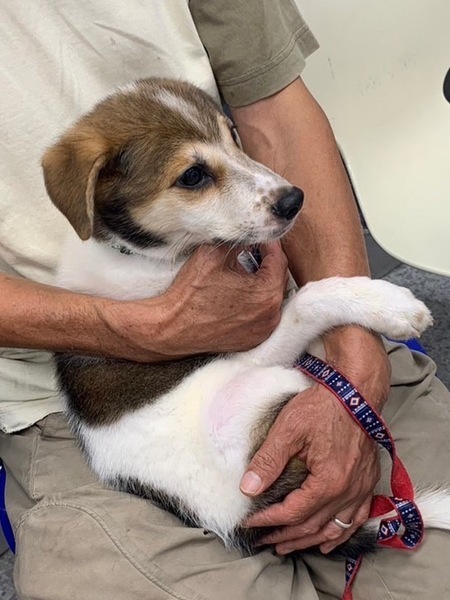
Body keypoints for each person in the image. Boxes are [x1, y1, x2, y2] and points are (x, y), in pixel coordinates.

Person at [0, 1, 449, 598]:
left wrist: (356, 372)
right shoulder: (101, 262)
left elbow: (276, 113)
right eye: (195, 177)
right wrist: (140, 328)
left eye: (229, 138)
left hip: (282, 355)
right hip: (104, 412)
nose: (273, 190)